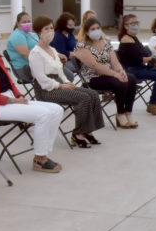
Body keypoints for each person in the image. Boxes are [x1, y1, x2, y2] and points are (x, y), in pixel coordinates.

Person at [0, 20, 63, 173]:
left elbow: (10, 82)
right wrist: (11, 100)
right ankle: (40, 158)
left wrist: (19, 95)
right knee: (43, 114)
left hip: (10, 99)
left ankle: (43, 150)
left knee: (57, 109)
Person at [29, 16, 104, 148]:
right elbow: (41, 79)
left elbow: (60, 71)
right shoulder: (35, 53)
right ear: (39, 32)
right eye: (46, 29)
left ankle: (88, 131)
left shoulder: (52, 50)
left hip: (59, 84)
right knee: (83, 98)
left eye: (51, 28)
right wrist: (61, 85)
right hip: (46, 90)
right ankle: (78, 134)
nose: (50, 31)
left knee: (92, 95)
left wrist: (66, 82)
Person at [74, 17, 138, 129]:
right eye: (93, 29)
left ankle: (128, 112)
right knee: (120, 83)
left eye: (98, 28)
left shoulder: (106, 43)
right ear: (87, 32)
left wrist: (121, 71)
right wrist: (115, 74)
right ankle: (120, 113)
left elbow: (115, 62)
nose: (96, 30)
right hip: (93, 78)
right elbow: (95, 66)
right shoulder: (82, 46)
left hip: (110, 75)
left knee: (131, 79)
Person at [117, 14, 156, 116]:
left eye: (137, 23)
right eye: (133, 23)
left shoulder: (134, 38)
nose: (136, 25)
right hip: (131, 70)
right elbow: (138, 59)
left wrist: (152, 59)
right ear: (126, 26)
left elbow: (144, 53)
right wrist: (153, 58)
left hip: (139, 67)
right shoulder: (126, 39)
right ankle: (152, 104)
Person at [5, 11, 38, 81]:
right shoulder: (17, 35)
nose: (27, 24)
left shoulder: (33, 34)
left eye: (29, 21)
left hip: (36, 65)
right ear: (17, 24)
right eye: (24, 22)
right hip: (24, 69)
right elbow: (26, 54)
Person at [51, 12, 78, 79]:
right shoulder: (58, 35)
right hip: (63, 62)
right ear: (63, 25)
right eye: (70, 25)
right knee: (84, 66)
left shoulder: (70, 35)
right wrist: (70, 53)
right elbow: (60, 51)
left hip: (73, 59)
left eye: (73, 25)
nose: (72, 27)